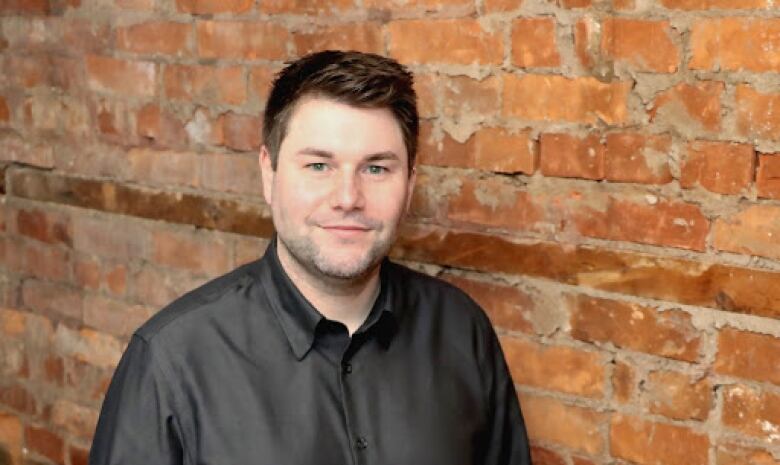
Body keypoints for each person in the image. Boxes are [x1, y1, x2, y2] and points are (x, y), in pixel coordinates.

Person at [89, 50, 531, 465]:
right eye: (319, 166)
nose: (347, 198)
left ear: (411, 183)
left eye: (376, 168)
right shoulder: (172, 360)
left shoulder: (461, 331)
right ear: (269, 172)